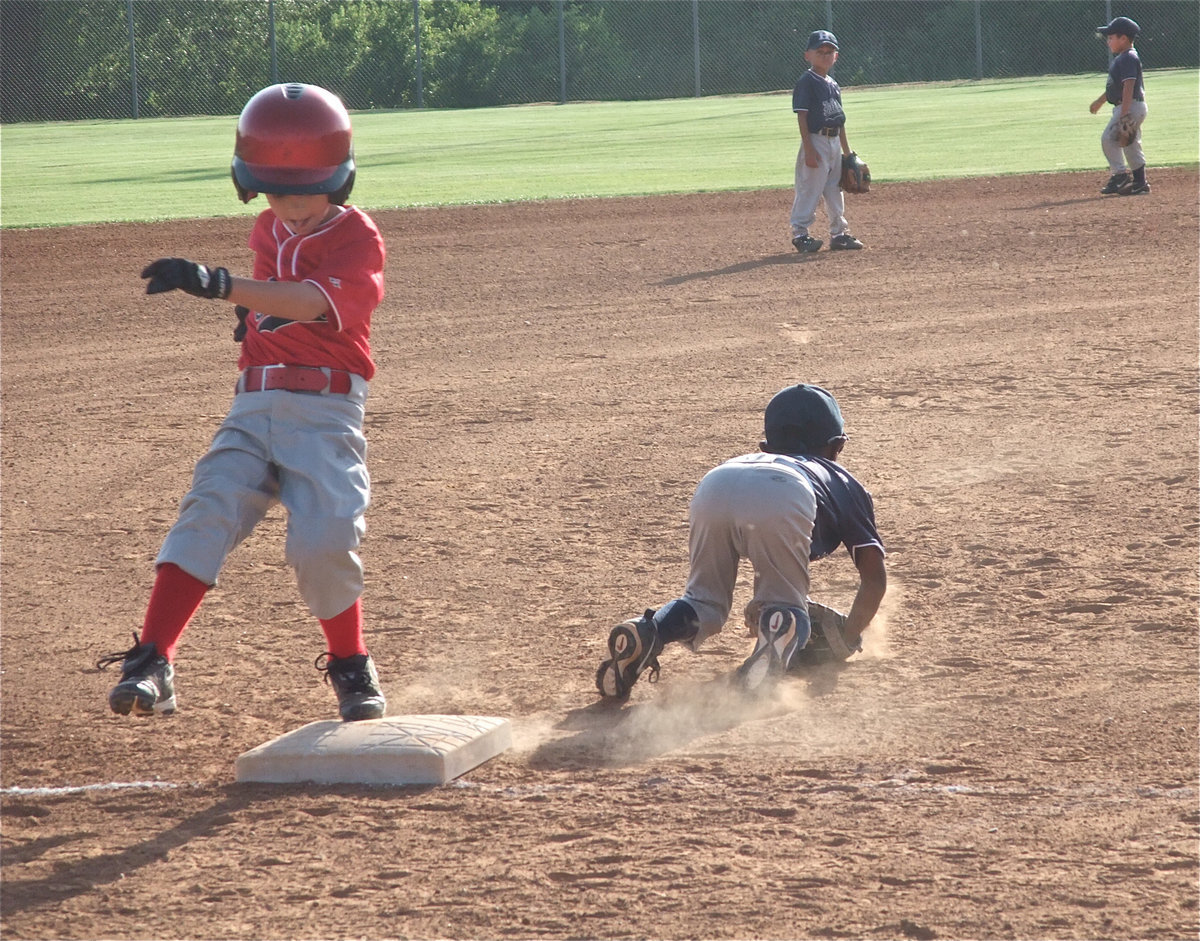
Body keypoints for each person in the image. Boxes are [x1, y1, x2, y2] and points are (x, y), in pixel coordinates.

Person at [97, 83, 388, 722]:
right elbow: (274, 297)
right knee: (204, 513)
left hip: (325, 416)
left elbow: (315, 302)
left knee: (324, 542)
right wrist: (252, 312)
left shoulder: (358, 237)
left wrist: (221, 286)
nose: (290, 205)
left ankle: (349, 664)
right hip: (253, 408)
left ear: (338, 181)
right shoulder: (267, 229)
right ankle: (152, 660)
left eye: (306, 190)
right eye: (275, 190)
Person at [596, 383, 887, 699]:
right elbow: (874, 580)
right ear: (836, 447)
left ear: (766, 446)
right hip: (786, 490)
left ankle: (649, 630)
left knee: (702, 601)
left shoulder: (752, 460)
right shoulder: (842, 480)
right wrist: (847, 636)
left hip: (717, 482)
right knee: (787, 608)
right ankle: (778, 634)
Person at [789, 30, 864, 253]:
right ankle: (801, 235)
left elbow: (839, 121)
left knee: (835, 189)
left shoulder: (833, 83)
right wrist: (809, 150)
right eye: (819, 51)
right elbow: (802, 116)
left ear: (836, 56)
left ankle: (839, 234)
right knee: (810, 189)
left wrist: (847, 153)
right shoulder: (806, 82)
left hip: (833, 143)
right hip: (816, 140)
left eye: (829, 51)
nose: (824, 55)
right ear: (807, 55)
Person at [1089, 16, 1150, 196]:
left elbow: (1129, 85)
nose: (1108, 41)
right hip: (1133, 106)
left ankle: (1120, 175)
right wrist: (1100, 101)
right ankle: (1140, 182)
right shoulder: (1125, 57)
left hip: (1129, 106)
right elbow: (1117, 87)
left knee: (1108, 139)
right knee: (1130, 144)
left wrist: (1124, 113)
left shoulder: (1127, 58)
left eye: (1111, 37)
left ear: (1123, 38)